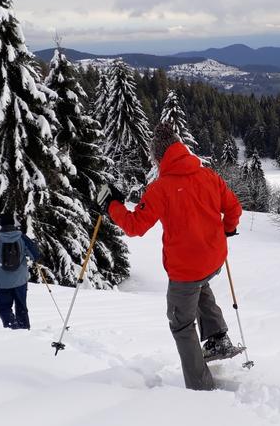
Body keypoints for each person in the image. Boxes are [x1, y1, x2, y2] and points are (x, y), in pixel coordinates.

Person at [99, 123, 243, 391]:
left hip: (185, 268)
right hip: (214, 258)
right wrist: (228, 229)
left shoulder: (161, 188)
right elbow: (233, 207)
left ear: (158, 157)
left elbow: (134, 226)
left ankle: (201, 387)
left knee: (181, 322)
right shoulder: (208, 176)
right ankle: (217, 337)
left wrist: (111, 206)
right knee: (201, 285)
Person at [0, 213, 41, 330]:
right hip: (20, 281)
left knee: (4, 308)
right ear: (13, 223)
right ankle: (25, 331)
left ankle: (12, 329)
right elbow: (36, 256)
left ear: (1, 224)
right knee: (21, 307)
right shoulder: (22, 238)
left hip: (2, 283)